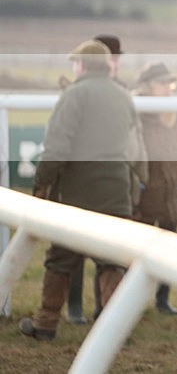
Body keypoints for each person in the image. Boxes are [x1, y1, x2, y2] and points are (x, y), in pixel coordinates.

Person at [21, 40, 139, 341]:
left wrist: (41, 184)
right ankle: (114, 331)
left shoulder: (74, 94)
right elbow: (133, 148)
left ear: (82, 65)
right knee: (111, 261)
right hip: (117, 190)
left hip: (77, 192)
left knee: (61, 257)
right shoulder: (123, 96)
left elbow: (56, 148)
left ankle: (45, 323)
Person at [64, 33, 136, 324]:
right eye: (112, 57)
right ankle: (77, 307)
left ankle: (102, 310)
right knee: (79, 248)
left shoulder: (120, 91)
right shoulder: (82, 90)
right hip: (92, 178)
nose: (115, 62)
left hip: (110, 178)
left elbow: (133, 138)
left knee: (107, 251)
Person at [133, 62, 177, 315]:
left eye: (169, 84)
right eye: (162, 83)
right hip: (145, 193)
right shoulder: (137, 113)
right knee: (139, 249)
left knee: (168, 249)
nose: (168, 88)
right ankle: (133, 300)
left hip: (172, 193)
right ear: (148, 86)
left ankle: (162, 299)